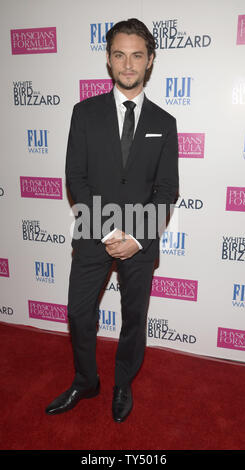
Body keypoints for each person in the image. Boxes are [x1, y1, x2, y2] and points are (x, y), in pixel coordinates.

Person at [45, 18, 179, 422]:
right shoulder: (83, 113)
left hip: (141, 240)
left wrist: (135, 237)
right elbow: (76, 178)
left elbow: (166, 190)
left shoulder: (164, 123)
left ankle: (123, 382)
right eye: (119, 54)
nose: (127, 64)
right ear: (108, 58)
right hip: (93, 233)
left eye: (137, 55)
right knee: (77, 312)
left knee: (134, 318)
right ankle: (87, 381)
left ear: (150, 60)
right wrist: (108, 231)